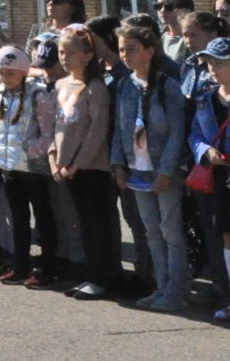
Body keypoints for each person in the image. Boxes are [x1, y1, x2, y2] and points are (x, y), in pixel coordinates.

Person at [112, 21, 189, 310]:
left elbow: (177, 132)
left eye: (131, 49)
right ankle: (160, 286)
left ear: (150, 51)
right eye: (121, 50)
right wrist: (118, 164)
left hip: (162, 170)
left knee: (171, 230)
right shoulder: (125, 86)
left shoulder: (168, 86)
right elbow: (120, 129)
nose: (124, 55)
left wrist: (167, 171)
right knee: (151, 231)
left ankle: (176, 290)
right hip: (137, 169)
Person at [51, 24, 119, 300]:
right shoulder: (60, 85)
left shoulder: (96, 88)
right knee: (80, 224)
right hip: (66, 168)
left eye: (71, 52)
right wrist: (54, 159)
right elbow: (56, 126)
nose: (65, 58)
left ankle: (101, 277)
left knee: (97, 224)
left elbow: (97, 131)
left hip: (91, 169)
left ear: (88, 55)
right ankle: (88, 274)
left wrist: (77, 163)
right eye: (61, 52)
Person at [0, 44, 57, 286]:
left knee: (43, 217)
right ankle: (20, 265)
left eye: (11, 73)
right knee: (18, 218)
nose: (6, 78)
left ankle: (47, 268)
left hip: (34, 167)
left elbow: (48, 133)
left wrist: (29, 151)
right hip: (8, 165)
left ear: (24, 71)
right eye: (2, 73)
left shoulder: (39, 95)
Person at [189, 37, 230, 323]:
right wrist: (206, 151)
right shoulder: (204, 98)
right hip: (218, 178)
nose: (214, 68)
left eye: (221, 63)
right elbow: (194, 136)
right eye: (211, 62)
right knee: (226, 237)